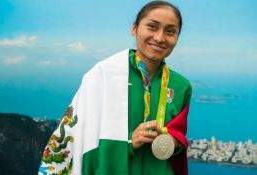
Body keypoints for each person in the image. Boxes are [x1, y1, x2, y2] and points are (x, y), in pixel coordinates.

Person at [38, 1, 192, 175]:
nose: (159, 37)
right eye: (152, 26)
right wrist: (128, 142)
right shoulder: (102, 75)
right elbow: (78, 137)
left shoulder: (181, 86)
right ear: (135, 29)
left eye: (170, 31)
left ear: (177, 38)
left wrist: (172, 141)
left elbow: (179, 137)